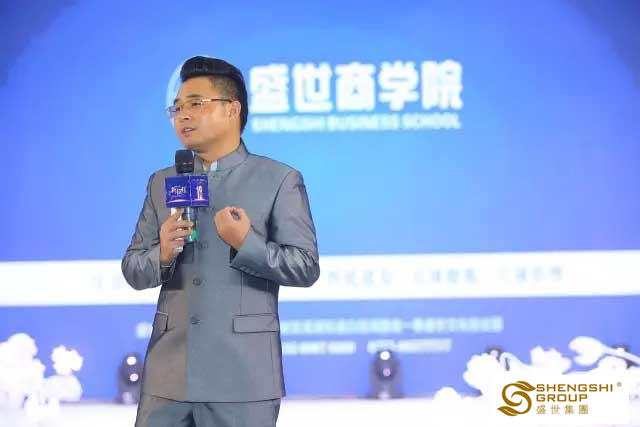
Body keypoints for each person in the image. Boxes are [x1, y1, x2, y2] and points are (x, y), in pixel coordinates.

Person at [121, 56, 320, 427]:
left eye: (196, 103)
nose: (183, 115)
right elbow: (133, 268)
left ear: (232, 109)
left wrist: (247, 243)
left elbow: (305, 266)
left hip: (242, 375)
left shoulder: (278, 179)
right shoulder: (162, 182)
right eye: (176, 108)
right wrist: (162, 253)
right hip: (168, 377)